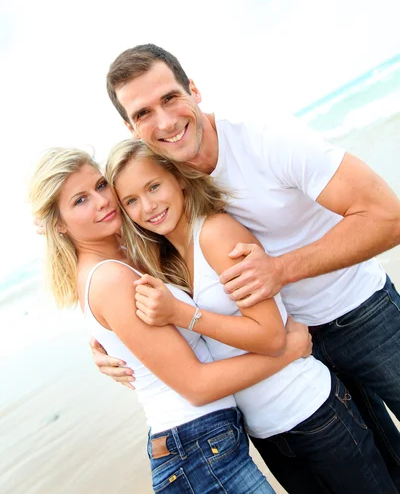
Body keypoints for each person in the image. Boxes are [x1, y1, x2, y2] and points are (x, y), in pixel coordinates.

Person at [92, 43, 400, 488]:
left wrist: (280, 270)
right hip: (296, 356)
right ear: (130, 127)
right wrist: (107, 343)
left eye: (170, 98)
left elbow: (387, 217)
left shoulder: (266, 140)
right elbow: (118, 264)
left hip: (361, 315)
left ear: (194, 90)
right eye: (143, 113)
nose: (164, 122)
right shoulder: (168, 189)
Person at [29, 146, 323, 493]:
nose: (102, 202)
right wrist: (288, 351)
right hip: (195, 450)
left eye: (100, 186)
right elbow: (196, 386)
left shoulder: (124, 257)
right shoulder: (110, 278)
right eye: (80, 200)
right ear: (59, 224)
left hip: (203, 445)